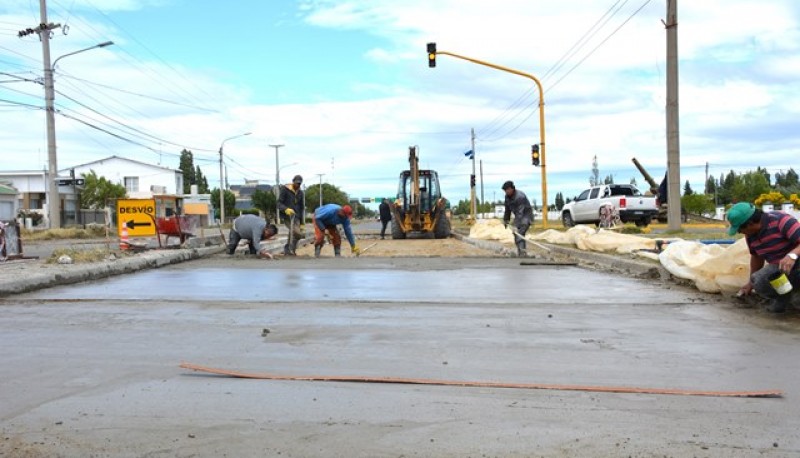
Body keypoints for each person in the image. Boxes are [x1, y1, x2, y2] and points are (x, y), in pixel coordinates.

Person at [728, 202, 800, 313]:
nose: (740, 232)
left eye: (739, 229)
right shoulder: (750, 236)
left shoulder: (782, 220)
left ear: (750, 224)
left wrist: (793, 255)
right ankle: (785, 297)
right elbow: (756, 257)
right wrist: (750, 283)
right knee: (758, 281)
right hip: (782, 268)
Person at [502, 180, 534, 257]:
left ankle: (522, 252)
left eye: (507, 190)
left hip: (526, 216)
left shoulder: (520, 197)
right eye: (505, 190)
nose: (506, 192)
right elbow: (507, 210)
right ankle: (521, 251)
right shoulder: (507, 197)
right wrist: (506, 220)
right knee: (516, 233)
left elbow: (520, 212)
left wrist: (515, 225)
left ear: (512, 189)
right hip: (518, 216)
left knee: (520, 232)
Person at [278, 175, 305, 256]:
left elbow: (302, 208)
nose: (298, 185)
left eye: (299, 184)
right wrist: (286, 209)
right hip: (287, 216)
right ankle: (288, 249)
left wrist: (302, 223)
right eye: (297, 183)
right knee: (297, 233)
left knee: (294, 234)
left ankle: (290, 250)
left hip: (296, 217)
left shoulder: (300, 193)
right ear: (293, 182)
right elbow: (279, 203)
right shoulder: (285, 190)